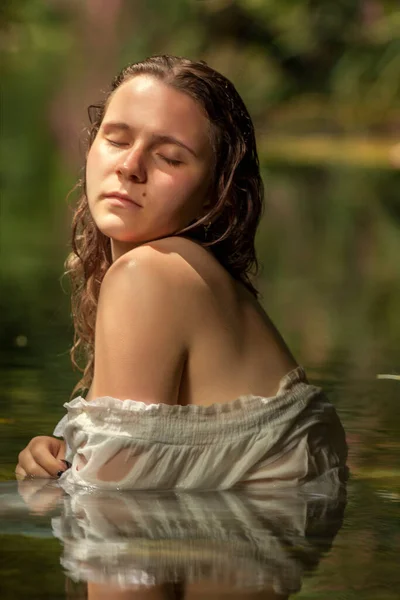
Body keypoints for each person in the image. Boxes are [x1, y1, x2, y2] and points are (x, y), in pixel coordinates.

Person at [15, 55, 347, 489]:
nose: (130, 166)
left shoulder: (149, 274)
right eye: (116, 139)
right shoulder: (197, 278)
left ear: (217, 193)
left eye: (170, 158)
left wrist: (44, 489)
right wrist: (62, 456)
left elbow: (107, 503)